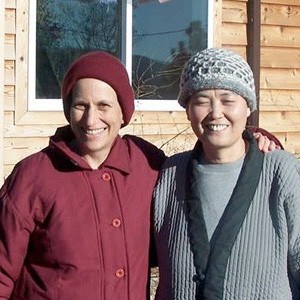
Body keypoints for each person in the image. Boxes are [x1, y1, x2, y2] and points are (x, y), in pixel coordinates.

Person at [0, 50, 281, 300]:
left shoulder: (147, 164)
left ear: (124, 112)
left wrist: (251, 139)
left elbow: (205, 163)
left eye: (103, 106)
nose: (90, 119)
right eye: (80, 105)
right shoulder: (35, 175)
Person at [153, 47, 300, 299]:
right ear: (188, 110)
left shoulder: (280, 172)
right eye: (200, 101)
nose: (215, 112)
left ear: (248, 108)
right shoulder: (170, 174)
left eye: (228, 99)